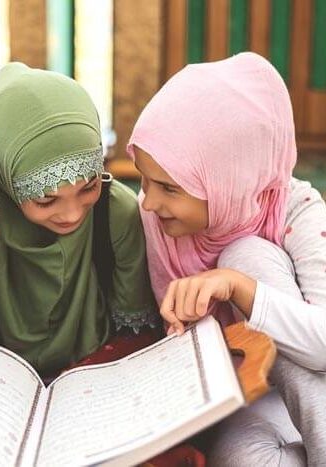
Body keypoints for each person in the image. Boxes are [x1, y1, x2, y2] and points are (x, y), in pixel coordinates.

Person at [127, 52, 326, 466]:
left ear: (227, 176)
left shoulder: (298, 212)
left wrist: (238, 287)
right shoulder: (158, 224)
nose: (148, 202)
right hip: (254, 401)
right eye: (144, 180)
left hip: (314, 389)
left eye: (169, 188)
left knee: (246, 254)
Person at [0, 62, 159, 379]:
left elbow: (135, 333)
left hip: (99, 376)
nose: (73, 214)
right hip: (0, 382)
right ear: (4, 180)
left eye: (88, 187)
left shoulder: (115, 212)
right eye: (46, 200)